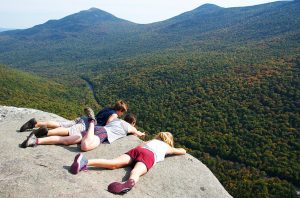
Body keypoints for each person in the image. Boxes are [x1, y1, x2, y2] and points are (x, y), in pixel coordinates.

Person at [69, 132, 186, 194]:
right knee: (136, 171)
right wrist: (181, 149)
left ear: (158, 137)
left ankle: (85, 161)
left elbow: (140, 145)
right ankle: (129, 182)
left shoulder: (152, 140)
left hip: (139, 150)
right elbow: (181, 151)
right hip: (150, 156)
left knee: (113, 162)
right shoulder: (167, 147)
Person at [20, 112, 145, 151]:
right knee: (85, 146)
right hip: (102, 133)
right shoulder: (129, 126)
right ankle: (92, 121)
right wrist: (140, 133)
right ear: (132, 123)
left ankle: (35, 140)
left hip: (99, 129)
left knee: (65, 140)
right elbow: (138, 133)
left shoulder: (117, 120)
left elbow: (109, 122)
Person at [19, 100, 128, 136]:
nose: (121, 114)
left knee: (61, 124)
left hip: (83, 118)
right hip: (87, 124)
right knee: (68, 131)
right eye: (122, 112)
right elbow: (109, 123)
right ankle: (44, 132)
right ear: (120, 110)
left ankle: (36, 123)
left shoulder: (107, 109)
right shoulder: (114, 114)